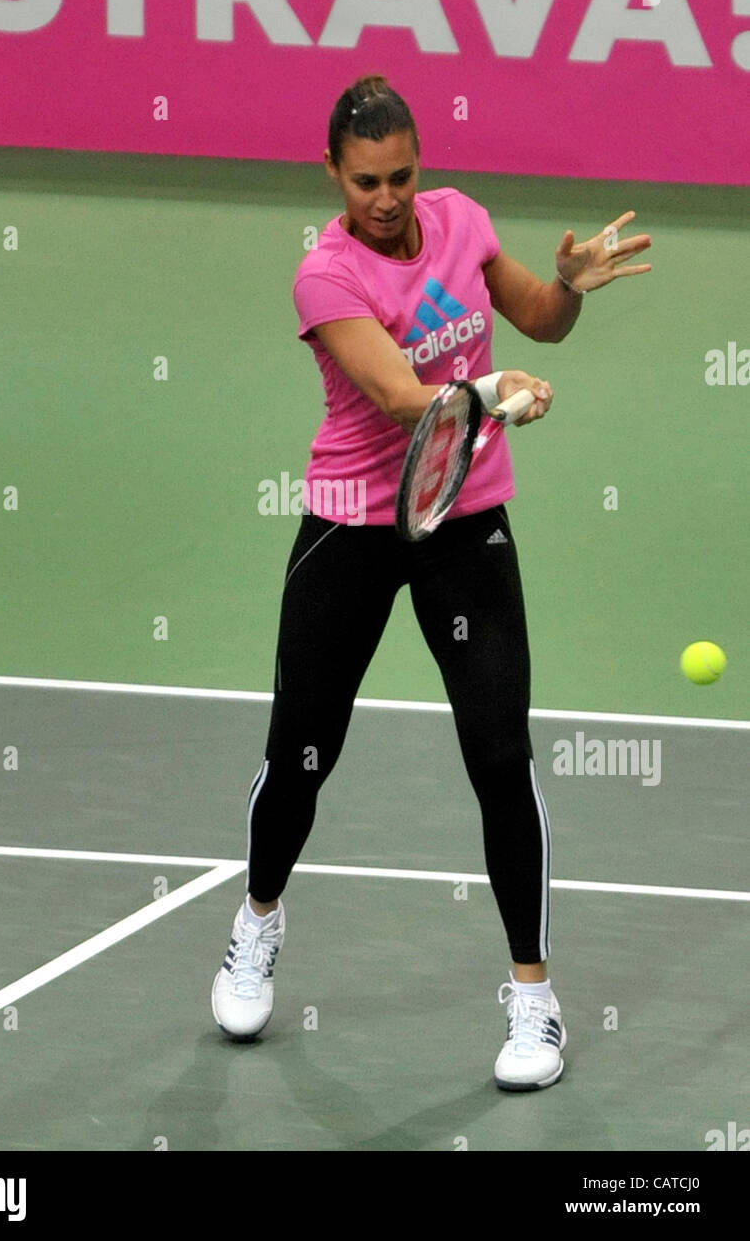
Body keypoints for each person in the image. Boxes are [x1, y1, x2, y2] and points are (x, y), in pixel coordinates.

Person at [211, 74, 652, 1090]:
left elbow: (537, 320)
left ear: (420, 167)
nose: (385, 196)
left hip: (462, 522)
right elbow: (400, 395)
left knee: (499, 755)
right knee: (299, 757)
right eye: (364, 180)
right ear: (332, 174)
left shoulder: (457, 222)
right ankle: (258, 917)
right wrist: (487, 390)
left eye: (400, 175)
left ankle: (532, 1000)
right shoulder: (323, 276)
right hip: (352, 526)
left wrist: (571, 283)